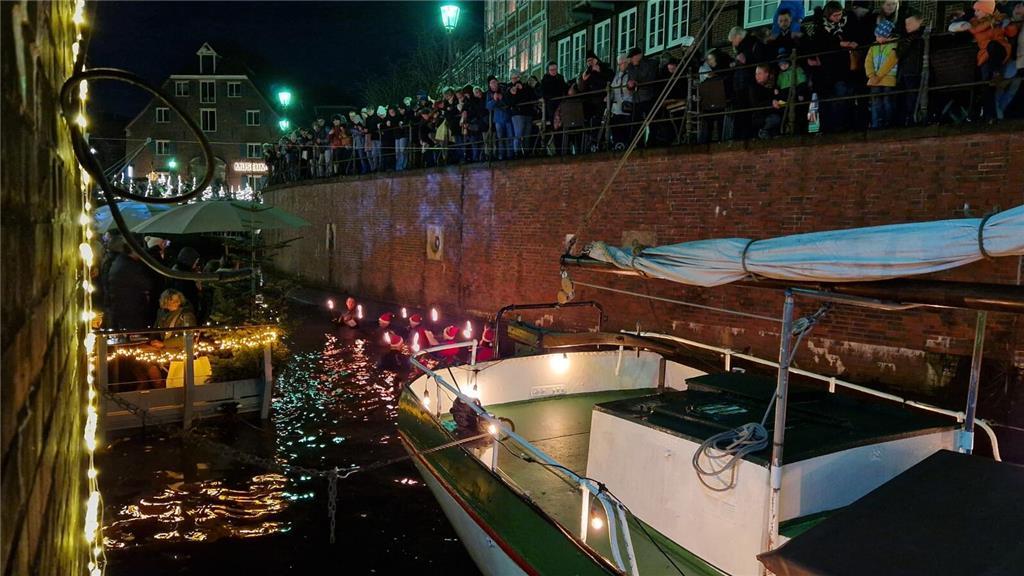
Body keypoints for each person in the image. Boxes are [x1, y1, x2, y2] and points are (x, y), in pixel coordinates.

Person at [950, 0, 1020, 121]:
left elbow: (1012, 33)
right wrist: (963, 25)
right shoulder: (974, 23)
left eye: (978, 10)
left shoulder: (999, 19)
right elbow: (961, 28)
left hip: (1000, 51)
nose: (975, 12)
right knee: (986, 86)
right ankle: (990, 116)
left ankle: (996, 73)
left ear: (986, 10)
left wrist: (1008, 24)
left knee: (993, 45)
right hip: (985, 56)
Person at [106, 244, 160, 330]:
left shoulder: (120, 261)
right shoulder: (130, 266)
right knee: (133, 332)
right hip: (131, 307)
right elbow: (147, 284)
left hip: (122, 306)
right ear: (134, 251)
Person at [865, 19, 899, 129]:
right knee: (875, 102)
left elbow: (890, 62)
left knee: (887, 101)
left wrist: (877, 76)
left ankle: (888, 123)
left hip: (888, 79)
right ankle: (876, 124)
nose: (876, 39)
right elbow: (868, 61)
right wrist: (871, 75)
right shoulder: (874, 46)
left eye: (879, 36)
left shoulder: (894, 45)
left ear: (887, 35)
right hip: (875, 80)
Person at [896, 11, 927, 125]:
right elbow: (899, 54)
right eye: (906, 24)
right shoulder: (905, 38)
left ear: (919, 21)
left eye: (909, 23)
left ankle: (917, 118)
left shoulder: (925, 35)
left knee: (916, 95)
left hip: (919, 70)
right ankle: (908, 118)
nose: (907, 26)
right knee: (908, 96)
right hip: (907, 71)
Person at [625, 47, 658, 143]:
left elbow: (647, 78)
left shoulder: (648, 64)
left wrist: (636, 82)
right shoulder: (631, 67)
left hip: (649, 96)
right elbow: (630, 80)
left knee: (652, 121)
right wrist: (629, 85)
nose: (632, 59)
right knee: (636, 122)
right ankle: (637, 142)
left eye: (633, 57)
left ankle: (651, 142)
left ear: (639, 56)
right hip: (637, 98)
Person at [749, 64, 782, 139]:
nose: (757, 76)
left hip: (772, 113)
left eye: (759, 73)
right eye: (756, 74)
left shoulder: (773, 85)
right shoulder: (754, 87)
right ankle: (763, 131)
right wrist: (771, 103)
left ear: (766, 74)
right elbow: (755, 104)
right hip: (760, 116)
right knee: (775, 119)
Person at [608, 53, 633, 150]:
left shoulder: (630, 73)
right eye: (619, 63)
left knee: (626, 129)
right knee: (616, 129)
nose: (620, 65)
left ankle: (626, 145)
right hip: (616, 108)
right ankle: (617, 145)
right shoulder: (617, 75)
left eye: (622, 63)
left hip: (627, 107)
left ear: (627, 62)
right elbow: (613, 88)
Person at [485, 75, 512, 160]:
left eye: (494, 82)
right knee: (500, 138)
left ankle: (510, 155)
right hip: (498, 119)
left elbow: (509, 101)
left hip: (508, 116)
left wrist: (502, 98)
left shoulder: (504, 89)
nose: (493, 84)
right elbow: (488, 106)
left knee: (510, 137)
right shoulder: (489, 94)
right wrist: (494, 99)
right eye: (491, 83)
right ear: (489, 85)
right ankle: (502, 155)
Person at [507, 71, 534, 158]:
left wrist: (522, 89)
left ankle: (526, 151)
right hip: (517, 113)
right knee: (519, 133)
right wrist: (513, 93)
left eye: (517, 78)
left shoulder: (526, 87)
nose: (516, 80)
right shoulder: (509, 88)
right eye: (514, 78)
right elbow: (510, 101)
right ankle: (517, 152)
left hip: (527, 112)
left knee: (527, 133)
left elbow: (529, 96)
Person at [540, 61, 568, 131]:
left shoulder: (560, 77)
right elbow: (543, 93)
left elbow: (564, 88)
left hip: (561, 103)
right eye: (551, 70)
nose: (554, 71)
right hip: (551, 104)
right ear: (548, 70)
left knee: (563, 122)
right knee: (554, 124)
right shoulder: (545, 79)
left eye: (555, 69)